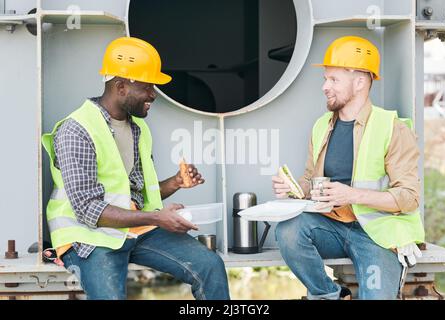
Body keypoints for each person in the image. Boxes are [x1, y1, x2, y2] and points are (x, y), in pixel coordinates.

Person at [42, 37, 230, 300]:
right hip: (89, 236)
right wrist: (157, 218)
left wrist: (175, 183)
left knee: (210, 265)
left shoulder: (137, 127)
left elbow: (135, 194)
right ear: (121, 87)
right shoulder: (77, 129)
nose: (153, 94)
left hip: (134, 230)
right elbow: (88, 210)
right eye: (147, 87)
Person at [272, 36, 425, 300]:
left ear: (360, 82)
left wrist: (351, 195)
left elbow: (409, 198)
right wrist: (296, 188)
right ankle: (329, 295)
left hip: (378, 235)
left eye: (333, 80)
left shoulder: (392, 127)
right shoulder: (322, 125)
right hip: (332, 226)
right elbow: (311, 179)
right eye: (325, 79)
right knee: (288, 230)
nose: (324, 87)